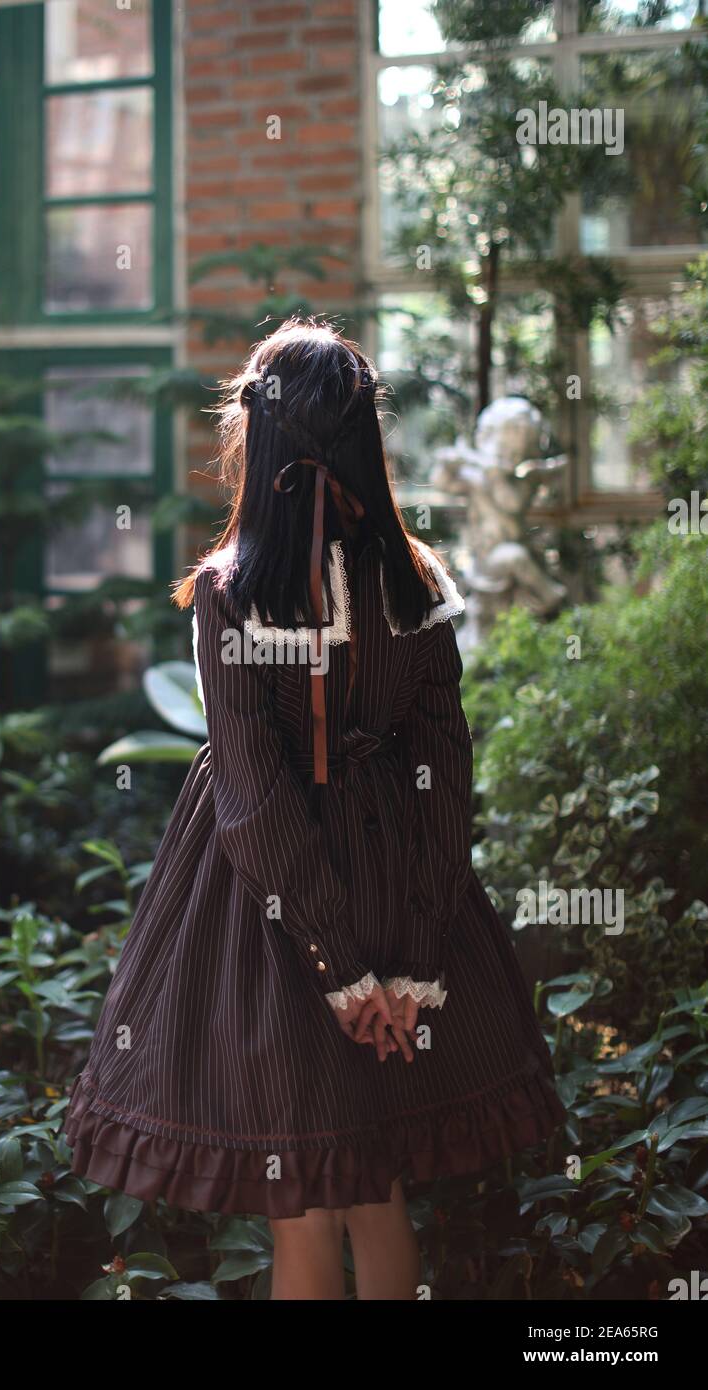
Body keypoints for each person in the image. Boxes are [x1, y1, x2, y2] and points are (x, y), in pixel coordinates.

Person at [65, 318, 567, 1300]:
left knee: (299, 1201)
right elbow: (442, 777)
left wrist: (339, 967)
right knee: (371, 1186)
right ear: (358, 440)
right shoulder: (412, 581)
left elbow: (252, 799)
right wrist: (410, 959)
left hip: (275, 913)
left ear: (262, 441)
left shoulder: (231, 592)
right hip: (394, 885)